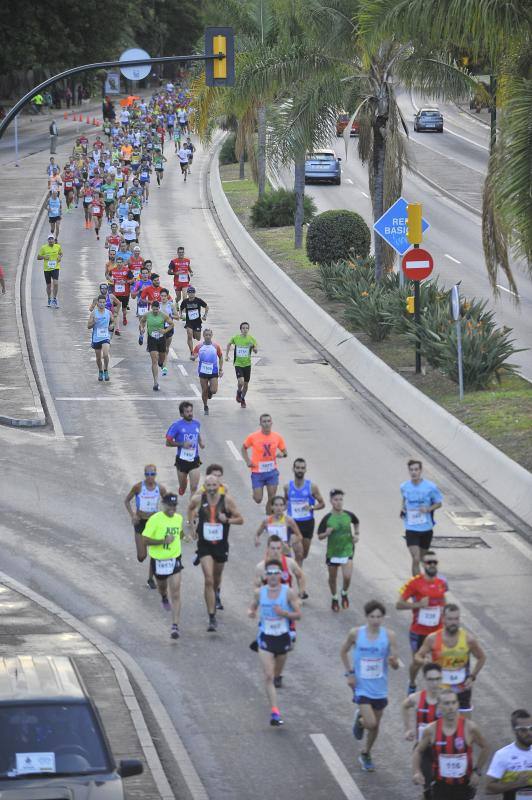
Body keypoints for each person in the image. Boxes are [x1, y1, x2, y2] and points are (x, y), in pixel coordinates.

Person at [340, 600, 399, 772]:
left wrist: (393, 661)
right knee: (371, 723)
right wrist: (349, 673)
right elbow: (343, 651)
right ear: (366, 617)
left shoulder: (389, 636)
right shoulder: (356, 633)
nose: (375, 620)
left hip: (379, 687)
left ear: (383, 618)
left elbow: (395, 663)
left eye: (379, 616)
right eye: (372, 616)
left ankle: (366, 752)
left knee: (376, 725)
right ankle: (361, 720)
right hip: (362, 686)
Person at [248, 560, 301, 727]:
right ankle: (275, 711)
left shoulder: (288, 593)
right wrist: (250, 612)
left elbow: (298, 615)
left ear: (281, 575)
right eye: (269, 573)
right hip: (265, 637)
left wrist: (284, 613)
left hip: (282, 637)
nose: (272, 576)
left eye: (275, 573)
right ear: (265, 576)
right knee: (269, 676)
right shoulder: (260, 593)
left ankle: (277, 677)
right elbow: (253, 607)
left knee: (276, 674)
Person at [187, 474, 243, 632]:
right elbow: (190, 508)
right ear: (205, 487)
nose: (211, 489)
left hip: (220, 545)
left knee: (216, 578)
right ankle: (211, 616)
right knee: (209, 579)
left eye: (214, 486)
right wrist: (192, 527)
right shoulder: (199, 499)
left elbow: (240, 519)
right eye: (208, 486)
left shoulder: (227, 501)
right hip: (204, 545)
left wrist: (227, 520)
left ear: (219, 486)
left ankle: (216, 593)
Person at [413, 690, 489, 799]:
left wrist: (477, 771)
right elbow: (418, 750)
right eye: (447, 703)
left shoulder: (470, 728)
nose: (451, 707)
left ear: (458, 704)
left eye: (454, 703)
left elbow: (486, 747)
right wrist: (417, 771)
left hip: (464, 785)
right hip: (440, 784)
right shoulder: (431, 730)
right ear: (439, 706)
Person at [415, 603, 486, 715]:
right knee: (439, 724)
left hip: (462, 689)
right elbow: (418, 656)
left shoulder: (468, 639)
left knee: (464, 726)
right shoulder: (432, 639)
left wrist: (472, 677)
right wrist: (424, 662)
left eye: (456, 619)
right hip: (439, 689)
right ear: (443, 619)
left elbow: (481, 657)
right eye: (450, 619)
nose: (454, 622)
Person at [396, 551, 448, 694]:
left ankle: (435, 690)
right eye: (428, 562)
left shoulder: (442, 582)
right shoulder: (414, 583)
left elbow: (443, 600)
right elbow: (399, 604)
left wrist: (446, 617)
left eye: (434, 562)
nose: (432, 565)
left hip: (437, 630)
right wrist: (418, 605)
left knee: (438, 662)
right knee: (418, 662)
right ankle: (412, 682)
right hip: (419, 631)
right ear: (423, 565)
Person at [142, 493, 184, 640]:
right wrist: (163, 541)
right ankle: (164, 597)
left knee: (177, 592)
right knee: (162, 587)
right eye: (170, 506)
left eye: (175, 506)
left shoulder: (178, 518)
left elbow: (179, 533)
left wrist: (185, 536)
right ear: (164, 505)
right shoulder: (155, 520)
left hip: (174, 558)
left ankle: (175, 626)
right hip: (159, 560)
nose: (173, 508)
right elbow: (145, 540)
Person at [402, 662, 443, 799]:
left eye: (438, 679)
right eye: (431, 679)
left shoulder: (448, 700)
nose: (435, 683)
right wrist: (408, 729)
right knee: (429, 783)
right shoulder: (418, 698)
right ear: (425, 679)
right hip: (423, 749)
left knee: (443, 785)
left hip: (442, 749)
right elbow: (404, 706)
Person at [124, 465, 168, 589]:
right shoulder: (138, 487)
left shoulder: (160, 488)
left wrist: (164, 517)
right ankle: (143, 545)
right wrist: (132, 515)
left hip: (154, 523)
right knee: (142, 557)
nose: (150, 477)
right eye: (147, 474)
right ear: (144, 475)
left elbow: (168, 503)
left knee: (154, 553)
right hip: (140, 522)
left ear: (156, 475)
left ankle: (150, 579)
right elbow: (126, 501)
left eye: (152, 474)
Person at [317, 489, 359, 611]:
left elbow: (356, 522)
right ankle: (334, 597)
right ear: (331, 501)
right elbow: (319, 536)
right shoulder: (327, 518)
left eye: (341, 499)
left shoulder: (348, 515)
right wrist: (326, 533)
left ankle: (344, 593)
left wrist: (356, 534)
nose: (339, 502)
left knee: (347, 577)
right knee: (332, 578)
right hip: (333, 552)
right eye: (336, 500)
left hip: (347, 549)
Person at [400, 459, 443, 576]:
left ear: (420, 471)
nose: (414, 472)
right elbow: (404, 499)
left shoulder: (430, 487)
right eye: (411, 470)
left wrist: (428, 509)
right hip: (411, 528)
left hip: (426, 528)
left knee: (422, 559)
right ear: (409, 471)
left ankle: (428, 581)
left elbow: (439, 503)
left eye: (416, 469)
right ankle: (417, 588)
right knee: (416, 557)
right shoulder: (404, 486)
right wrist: (402, 508)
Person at [241, 414, 287, 512]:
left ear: (271, 423)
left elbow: (285, 452)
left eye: (268, 421)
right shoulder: (253, 437)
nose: (266, 424)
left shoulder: (277, 437)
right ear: (260, 423)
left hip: (271, 471)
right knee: (258, 499)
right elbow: (243, 448)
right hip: (257, 471)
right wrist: (247, 461)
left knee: (272, 498)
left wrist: (281, 455)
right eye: (264, 422)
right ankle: (255, 492)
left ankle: (269, 517)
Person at [284, 458, 325, 565]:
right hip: (293, 523)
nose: (300, 470)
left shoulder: (312, 487)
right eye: (297, 468)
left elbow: (322, 504)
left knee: (304, 555)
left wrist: (312, 507)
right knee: (299, 554)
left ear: (306, 470)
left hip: (307, 524)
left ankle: (296, 569)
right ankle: (297, 577)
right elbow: (286, 502)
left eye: (302, 468)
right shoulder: (287, 487)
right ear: (293, 469)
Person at [485, 709, 532, 797]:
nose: (529, 733)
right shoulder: (503, 755)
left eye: (531, 728)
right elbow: (489, 788)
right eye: (523, 730)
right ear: (514, 731)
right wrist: (516, 783)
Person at [165, 401, 205, 496]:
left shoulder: (197, 424)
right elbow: (168, 443)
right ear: (182, 414)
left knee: (194, 488)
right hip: (181, 460)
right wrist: (182, 444)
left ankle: (191, 510)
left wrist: (200, 442)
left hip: (194, 460)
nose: (190, 413)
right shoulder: (176, 426)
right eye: (187, 412)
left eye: (191, 411)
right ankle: (183, 486)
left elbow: (197, 434)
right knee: (183, 487)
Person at [255, 496, 303, 562]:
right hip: (271, 553)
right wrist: (257, 540)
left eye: (281, 505)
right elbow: (257, 534)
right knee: (271, 571)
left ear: (284, 507)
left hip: (285, 553)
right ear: (272, 507)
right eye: (276, 505)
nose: (279, 508)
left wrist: (290, 543)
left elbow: (299, 536)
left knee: (286, 571)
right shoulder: (266, 521)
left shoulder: (289, 520)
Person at [139, 301, 174, 391]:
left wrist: (165, 331)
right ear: (151, 308)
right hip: (152, 339)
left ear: (159, 308)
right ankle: (155, 382)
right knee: (154, 360)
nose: (155, 311)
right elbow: (142, 322)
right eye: (154, 309)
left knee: (161, 361)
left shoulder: (163, 315)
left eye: (157, 309)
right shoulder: (147, 315)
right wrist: (142, 328)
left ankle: (161, 363)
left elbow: (172, 324)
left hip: (161, 339)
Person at [225, 322, 258, 408]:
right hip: (238, 364)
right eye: (243, 328)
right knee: (241, 381)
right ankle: (239, 392)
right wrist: (226, 355)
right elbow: (229, 344)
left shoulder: (251, 339)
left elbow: (256, 350)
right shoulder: (236, 338)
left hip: (247, 364)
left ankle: (242, 398)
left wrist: (253, 348)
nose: (245, 330)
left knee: (246, 385)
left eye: (247, 328)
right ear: (241, 329)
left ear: (248, 329)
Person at [191, 328, 223, 415]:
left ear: (212, 336)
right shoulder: (199, 346)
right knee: (204, 390)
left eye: (209, 335)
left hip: (213, 371)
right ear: (203, 336)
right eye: (206, 335)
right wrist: (193, 357)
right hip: (203, 371)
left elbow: (220, 357)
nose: (208, 336)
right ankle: (205, 406)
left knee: (213, 390)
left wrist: (220, 369)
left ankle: (210, 391)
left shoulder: (216, 346)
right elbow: (193, 356)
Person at [87, 295, 112, 381]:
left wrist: (111, 326)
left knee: (105, 354)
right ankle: (100, 371)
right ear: (97, 303)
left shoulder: (108, 312)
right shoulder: (94, 313)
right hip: (96, 337)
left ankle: (106, 370)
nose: (102, 304)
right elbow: (88, 326)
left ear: (105, 303)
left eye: (103, 302)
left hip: (105, 336)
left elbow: (112, 322)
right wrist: (94, 322)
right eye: (100, 302)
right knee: (98, 358)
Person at [180, 286, 208, 357]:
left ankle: (194, 334)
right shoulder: (185, 301)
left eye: (192, 292)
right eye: (189, 292)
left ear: (194, 293)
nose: (191, 294)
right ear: (187, 293)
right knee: (189, 335)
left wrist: (205, 315)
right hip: (189, 322)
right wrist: (181, 315)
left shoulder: (198, 300)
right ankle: (192, 352)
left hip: (197, 322)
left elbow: (206, 306)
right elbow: (181, 309)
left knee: (198, 338)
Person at [37, 234, 62, 307]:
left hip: (55, 268)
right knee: (48, 285)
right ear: (48, 240)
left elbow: (61, 253)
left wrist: (60, 257)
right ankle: (49, 298)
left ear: (54, 240)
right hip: (47, 269)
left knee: (56, 283)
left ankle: (54, 299)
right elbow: (38, 257)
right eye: (49, 239)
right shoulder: (43, 248)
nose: (51, 240)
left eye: (52, 239)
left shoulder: (58, 247)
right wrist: (44, 256)